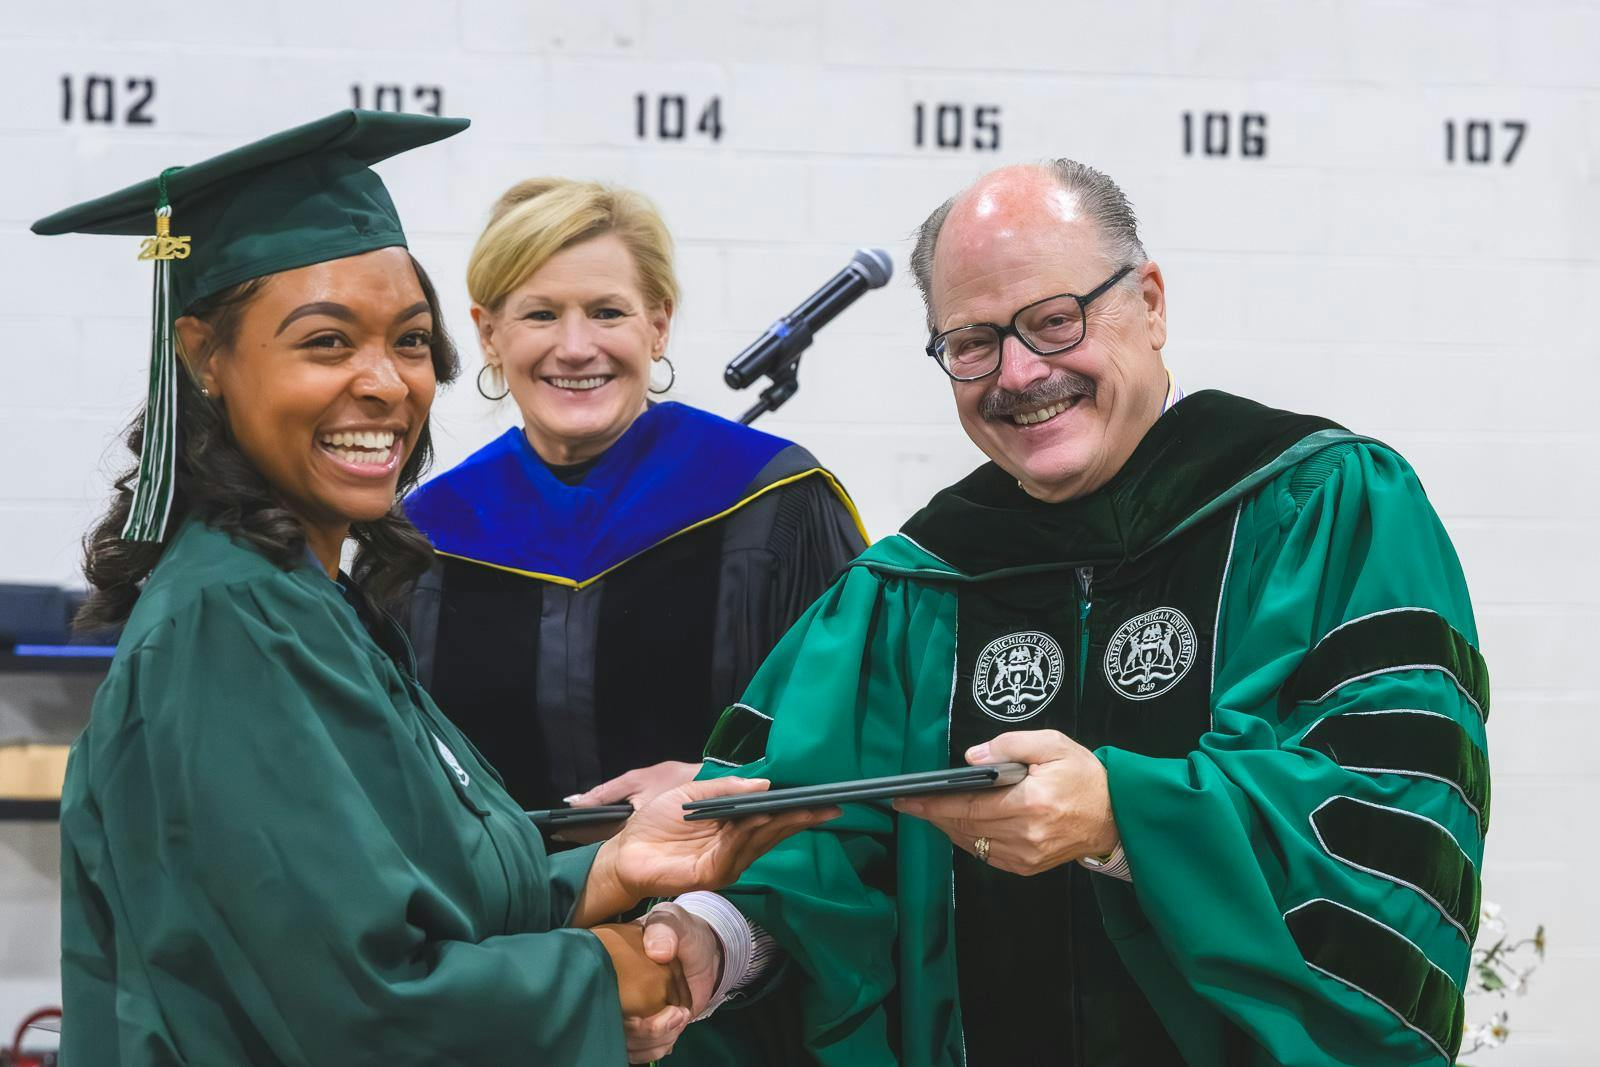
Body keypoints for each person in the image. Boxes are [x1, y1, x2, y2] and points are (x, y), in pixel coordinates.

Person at [636, 160, 1490, 1065]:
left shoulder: (1324, 508)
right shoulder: (913, 586)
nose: (1018, 372)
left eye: (1053, 321)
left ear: (1150, 303)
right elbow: (814, 846)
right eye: (971, 341)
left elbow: (1392, 813)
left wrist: (1126, 818)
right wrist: (712, 935)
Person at [36, 110, 832, 1066]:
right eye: (327, 342)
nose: (383, 382)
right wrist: (633, 966)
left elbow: (426, 881)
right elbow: (360, 1000)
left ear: (659, 321)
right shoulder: (232, 620)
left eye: (409, 342)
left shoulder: (314, 602)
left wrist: (619, 861)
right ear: (204, 358)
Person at [404, 178, 867, 819]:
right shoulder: (425, 536)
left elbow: (853, 736)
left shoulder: (773, 502)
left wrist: (723, 779)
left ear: (657, 325)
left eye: (606, 312)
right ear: (489, 335)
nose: (574, 347)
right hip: (498, 911)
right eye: (540, 314)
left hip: (722, 898)